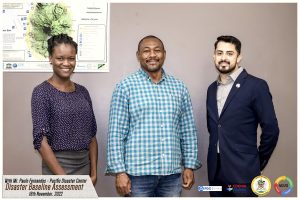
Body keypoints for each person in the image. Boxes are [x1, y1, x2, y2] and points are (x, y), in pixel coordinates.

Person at [106, 35, 201, 197]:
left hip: (172, 175)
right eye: (146, 51)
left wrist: (189, 166)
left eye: (157, 50)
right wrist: (120, 172)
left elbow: (188, 130)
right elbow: (116, 133)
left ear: (164, 54)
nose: (152, 55)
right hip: (137, 177)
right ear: (138, 55)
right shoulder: (125, 87)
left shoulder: (179, 87)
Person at [206, 35, 279, 197]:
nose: (223, 58)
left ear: (239, 57)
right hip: (215, 174)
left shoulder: (256, 86)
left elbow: (271, 129)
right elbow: (214, 128)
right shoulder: (211, 89)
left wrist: (257, 162)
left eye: (230, 53)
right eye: (219, 53)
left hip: (244, 175)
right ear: (214, 56)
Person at [31, 34, 98, 185]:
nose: (66, 63)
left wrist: (93, 172)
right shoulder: (41, 92)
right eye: (60, 58)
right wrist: (65, 181)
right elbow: (40, 141)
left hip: (84, 169)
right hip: (56, 170)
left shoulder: (83, 92)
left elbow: (92, 136)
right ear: (50, 58)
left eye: (71, 58)